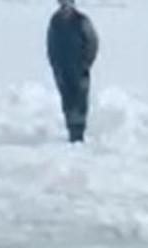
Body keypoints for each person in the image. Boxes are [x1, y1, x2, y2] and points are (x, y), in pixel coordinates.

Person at [46, 0, 99, 143]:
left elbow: (92, 43)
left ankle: (79, 134)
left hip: (79, 69)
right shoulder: (55, 22)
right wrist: (55, 65)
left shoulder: (82, 21)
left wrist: (86, 63)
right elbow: (51, 45)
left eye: (67, 5)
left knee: (80, 101)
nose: (65, 8)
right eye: (62, 5)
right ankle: (71, 131)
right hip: (63, 69)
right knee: (67, 101)